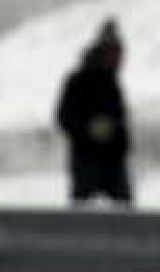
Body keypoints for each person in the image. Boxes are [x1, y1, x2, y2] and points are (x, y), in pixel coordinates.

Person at [56, 19, 134, 207]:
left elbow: (117, 121)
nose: (120, 59)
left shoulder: (111, 83)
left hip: (112, 160)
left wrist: (121, 142)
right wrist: (90, 131)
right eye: (116, 54)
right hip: (88, 161)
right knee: (82, 220)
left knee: (126, 218)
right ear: (104, 53)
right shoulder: (79, 81)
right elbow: (64, 117)